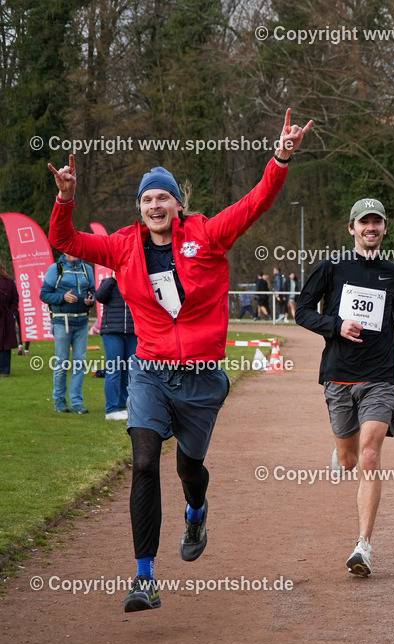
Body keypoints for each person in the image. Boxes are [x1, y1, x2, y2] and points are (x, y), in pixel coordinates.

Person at [48, 108, 312, 612]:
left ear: (177, 203)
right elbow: (65, 241)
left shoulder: (208, 236)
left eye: (162, 197)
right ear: (139, 206)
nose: (154, 206)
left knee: (190, 466)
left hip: (200, 379)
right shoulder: (123, 247)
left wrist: (279, 157)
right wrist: (66, 198)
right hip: (149, 372)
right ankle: (144, 578)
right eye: (146, 199)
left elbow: (255, 203)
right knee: (145, 463)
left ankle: (197, 510)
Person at [295, 197, 394, 578]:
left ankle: (363, 546)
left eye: (377, 222)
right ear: (352, 228)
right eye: (363, 222)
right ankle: (340, 453)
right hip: (338, 375)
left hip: (380, 377)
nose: (371, 227)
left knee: (369, 456)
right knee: (350, 459)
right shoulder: (332, 268)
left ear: (385, 228)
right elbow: (302, 310)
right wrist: (336, 325)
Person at [40, 251, 95, 413]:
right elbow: (44, 294)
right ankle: (59, 401)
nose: (74, 252)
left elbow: (93, 292)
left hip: (82, 322)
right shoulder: (55, 269)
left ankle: (77, 402)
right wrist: (63, 297)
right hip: (61, 322)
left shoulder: (87, 269)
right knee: (62, 363)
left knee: (80, 363)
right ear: (65, 251)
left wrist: (90, 300)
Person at [94, 276, 137, 420]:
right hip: (112, 331)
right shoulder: (108, 282)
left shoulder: (134, 279)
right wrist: (113, 279)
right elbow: (100, 297)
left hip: (132, 332)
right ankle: (111, 409)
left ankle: (121, 406)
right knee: (114, 369)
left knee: (127, 371)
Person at [0, 260, 16, 377]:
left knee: (6, 343)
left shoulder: (9, 282)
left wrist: (11, 313)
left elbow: (15, 299)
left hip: (6, 317)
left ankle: (5, 370)